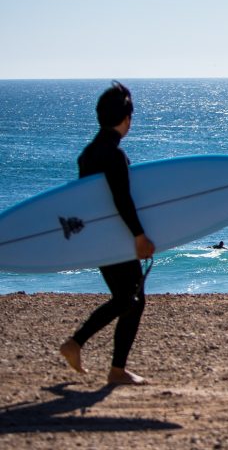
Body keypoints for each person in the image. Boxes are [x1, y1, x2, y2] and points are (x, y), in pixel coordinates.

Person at [59, 82, 156, 386]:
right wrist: (139, 236)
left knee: (128, 299)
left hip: (99, 237)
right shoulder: (114, 155)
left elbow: (89, 202)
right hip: (116, 237)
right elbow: (121, 199)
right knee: (130, 299)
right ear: (126, 119)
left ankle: (110, 365)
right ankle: (82, 347)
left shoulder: (87, 154)